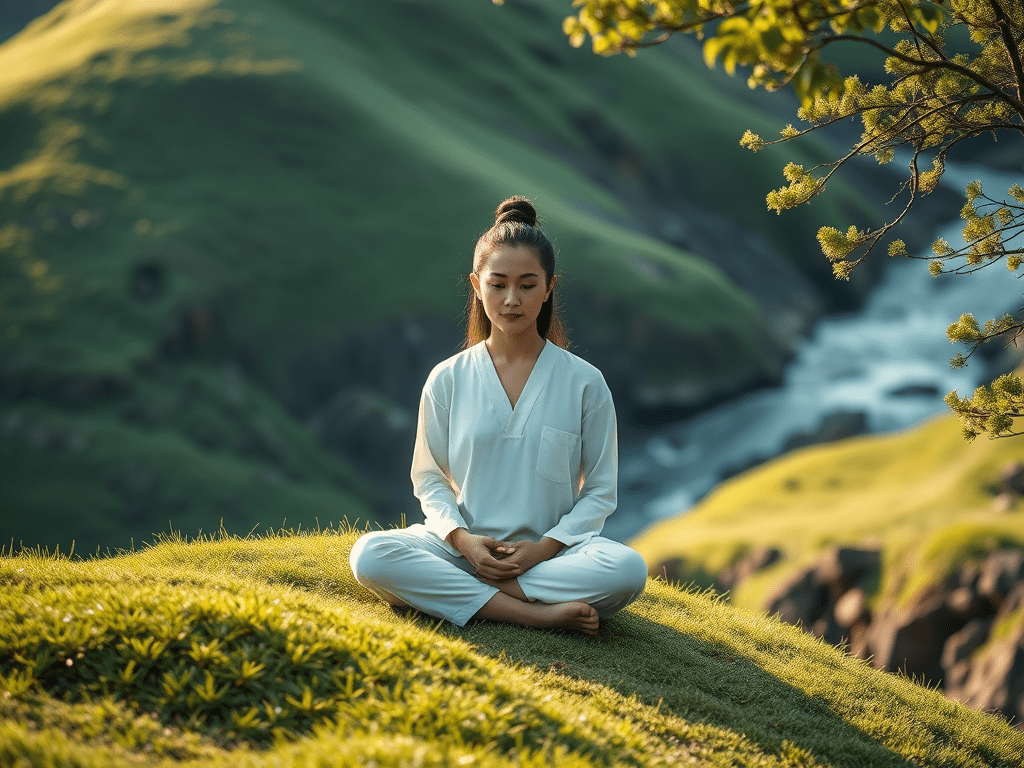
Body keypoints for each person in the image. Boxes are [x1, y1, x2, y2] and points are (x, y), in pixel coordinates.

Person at [349, 196, 648, 635]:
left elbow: (600, 492)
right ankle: (533, 612)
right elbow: (429, 479)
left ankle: (464, 590)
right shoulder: (447, 379)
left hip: (552, 555)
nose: (512, 300)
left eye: (528, 285)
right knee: (370, 555)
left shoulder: (585, 383)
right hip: (459, 548)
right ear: (476, 285)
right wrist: (463, 542)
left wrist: (542, 549)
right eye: (498, 284)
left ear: (549, 287)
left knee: (627, 570)